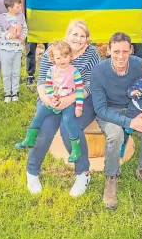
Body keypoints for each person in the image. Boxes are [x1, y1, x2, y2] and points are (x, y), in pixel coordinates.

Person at [26, 20, 100, 197]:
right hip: (52, 97)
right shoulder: (53, 50)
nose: (78, 39)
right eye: (75, 34)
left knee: (70, 128)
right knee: (45, 128)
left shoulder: (91, 54)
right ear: (67, 35)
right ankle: (32, 171)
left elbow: (93, 84)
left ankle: (83, 174)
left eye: (83, 36)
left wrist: (71, 99)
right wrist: (47, 99)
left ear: (87, 40)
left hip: (82, 98)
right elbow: (42, 81)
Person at [91, 32, 142, 211]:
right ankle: (111, 176)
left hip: (136, 109)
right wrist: (129, 123)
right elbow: (100, 109)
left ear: (131, 49)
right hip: (109, 111)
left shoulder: (141, 66)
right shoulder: (99, 71)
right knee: (115, 135)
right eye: (116, 51)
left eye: (125, 51)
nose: (121, 56)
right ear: (108, 50)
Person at [16, 41, 84, 163]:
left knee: (68, 120)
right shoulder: (51, 71)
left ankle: (75, 149)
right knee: (39, 114)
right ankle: (29, 139)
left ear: (70, 56)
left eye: (65, 56)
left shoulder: (75, 72)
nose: (62, 60)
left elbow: (80, 90)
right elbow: (48, 86)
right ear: (53, 58)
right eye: (58, 57)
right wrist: (51, 97)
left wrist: (79, 107)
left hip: (68, 102)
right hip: (54, 99)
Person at [17, 0, 52, 86]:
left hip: (47, 19)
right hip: (30, 20)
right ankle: (30, 75)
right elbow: (21, 0)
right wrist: (22, 20)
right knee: (30, 50)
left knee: (49, 48)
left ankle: (49, 74)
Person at [0, 0, 28, 103]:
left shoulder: (21, 17)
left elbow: (25, 29)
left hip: (17, 51)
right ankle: (7, 92)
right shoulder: (3, 17)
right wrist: (8, 36)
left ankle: (15, 92)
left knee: (16, 72)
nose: (20, 8)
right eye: (18, 7)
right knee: (6, 73)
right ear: (10, 8)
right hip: (5, 51)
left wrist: (23, 36)